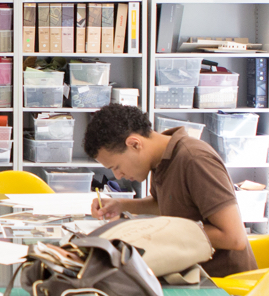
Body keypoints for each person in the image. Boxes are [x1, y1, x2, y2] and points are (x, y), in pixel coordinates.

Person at [82, 104, 256, 278]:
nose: (118, 176)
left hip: (223, 282)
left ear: (135, 144)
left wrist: (160, 233)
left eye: (116, 167)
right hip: (188, 268)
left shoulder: (194, 159)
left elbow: (234, 237)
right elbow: (168, 203)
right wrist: (122, 205)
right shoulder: (161, 161)